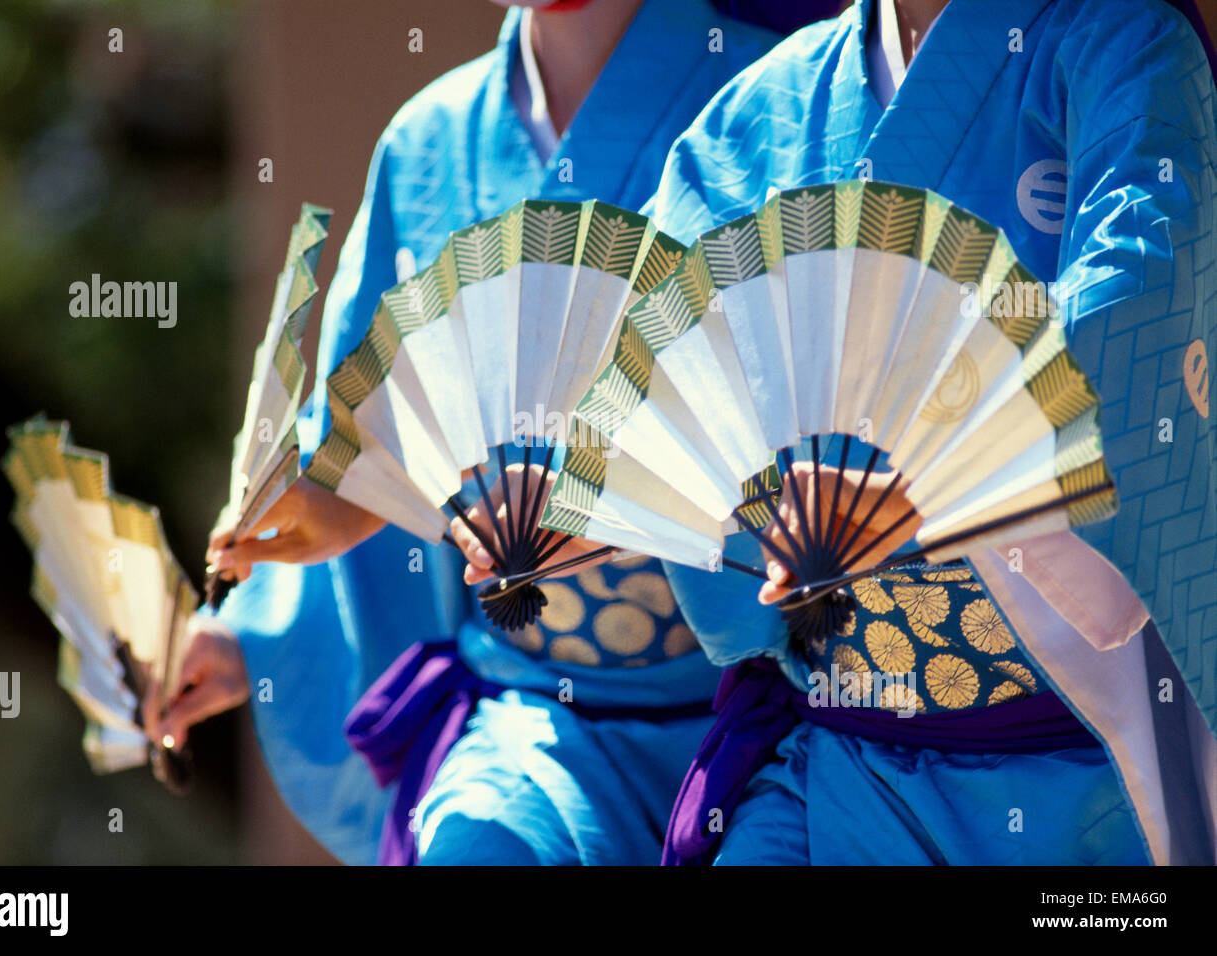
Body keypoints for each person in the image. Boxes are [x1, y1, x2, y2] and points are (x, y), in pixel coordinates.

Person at [163, 0, 795, 865]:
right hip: (535, 725)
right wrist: (258, 626)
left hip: (766, 706)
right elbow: (361, 445)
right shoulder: (429, 144)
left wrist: (631, 504)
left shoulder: (777, 94)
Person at [630, 0, 1216, 864]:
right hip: (841, 756)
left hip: (1076, 769)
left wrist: (929, 487)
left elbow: (1135, 312)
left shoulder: (1119, 42)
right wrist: (602, 501)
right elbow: (666, 375)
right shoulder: (761, 111)